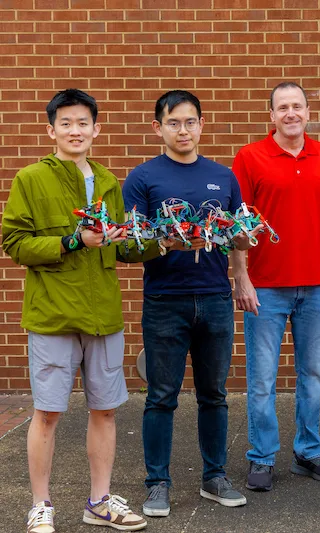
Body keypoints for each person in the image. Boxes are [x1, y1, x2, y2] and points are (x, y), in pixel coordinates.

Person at [2, 89, 147, 532]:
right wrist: (70, 241)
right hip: (53, 315)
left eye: (83, 122)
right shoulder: (31, 179)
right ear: (51, 130)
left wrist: (168, 242)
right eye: (66, 123)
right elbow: (14, 243)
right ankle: (41, 504)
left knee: (105, 410)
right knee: (47, 412)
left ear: (96, 129)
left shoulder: (107, 180)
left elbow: (123, 247)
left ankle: (99, 502)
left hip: (102, 314)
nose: (75, 130)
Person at [122, 90, 253, 518]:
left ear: (201, 124)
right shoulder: (142, 178)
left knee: (214, 395)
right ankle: (157, 483)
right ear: (158, 127)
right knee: (161, 396)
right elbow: (129, 246)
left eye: (191, 121)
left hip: (215, 298)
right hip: (164, 301)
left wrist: (240, 265)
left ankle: (214, 477)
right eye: (174, 122)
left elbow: (237, 235)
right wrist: (164, 242)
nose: (184, 130)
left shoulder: (223, 176)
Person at [231, 82, 320, 492]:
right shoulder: (249, 158)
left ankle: (308, 452)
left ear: (307, 111)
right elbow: (238, 227)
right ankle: (262, 458)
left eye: (297, 106)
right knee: (263, 378)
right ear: (271, 115)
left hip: (316, 286)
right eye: (282, 107)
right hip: (265, 287)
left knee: (312, 375)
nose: (290, 113)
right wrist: (242, 277)